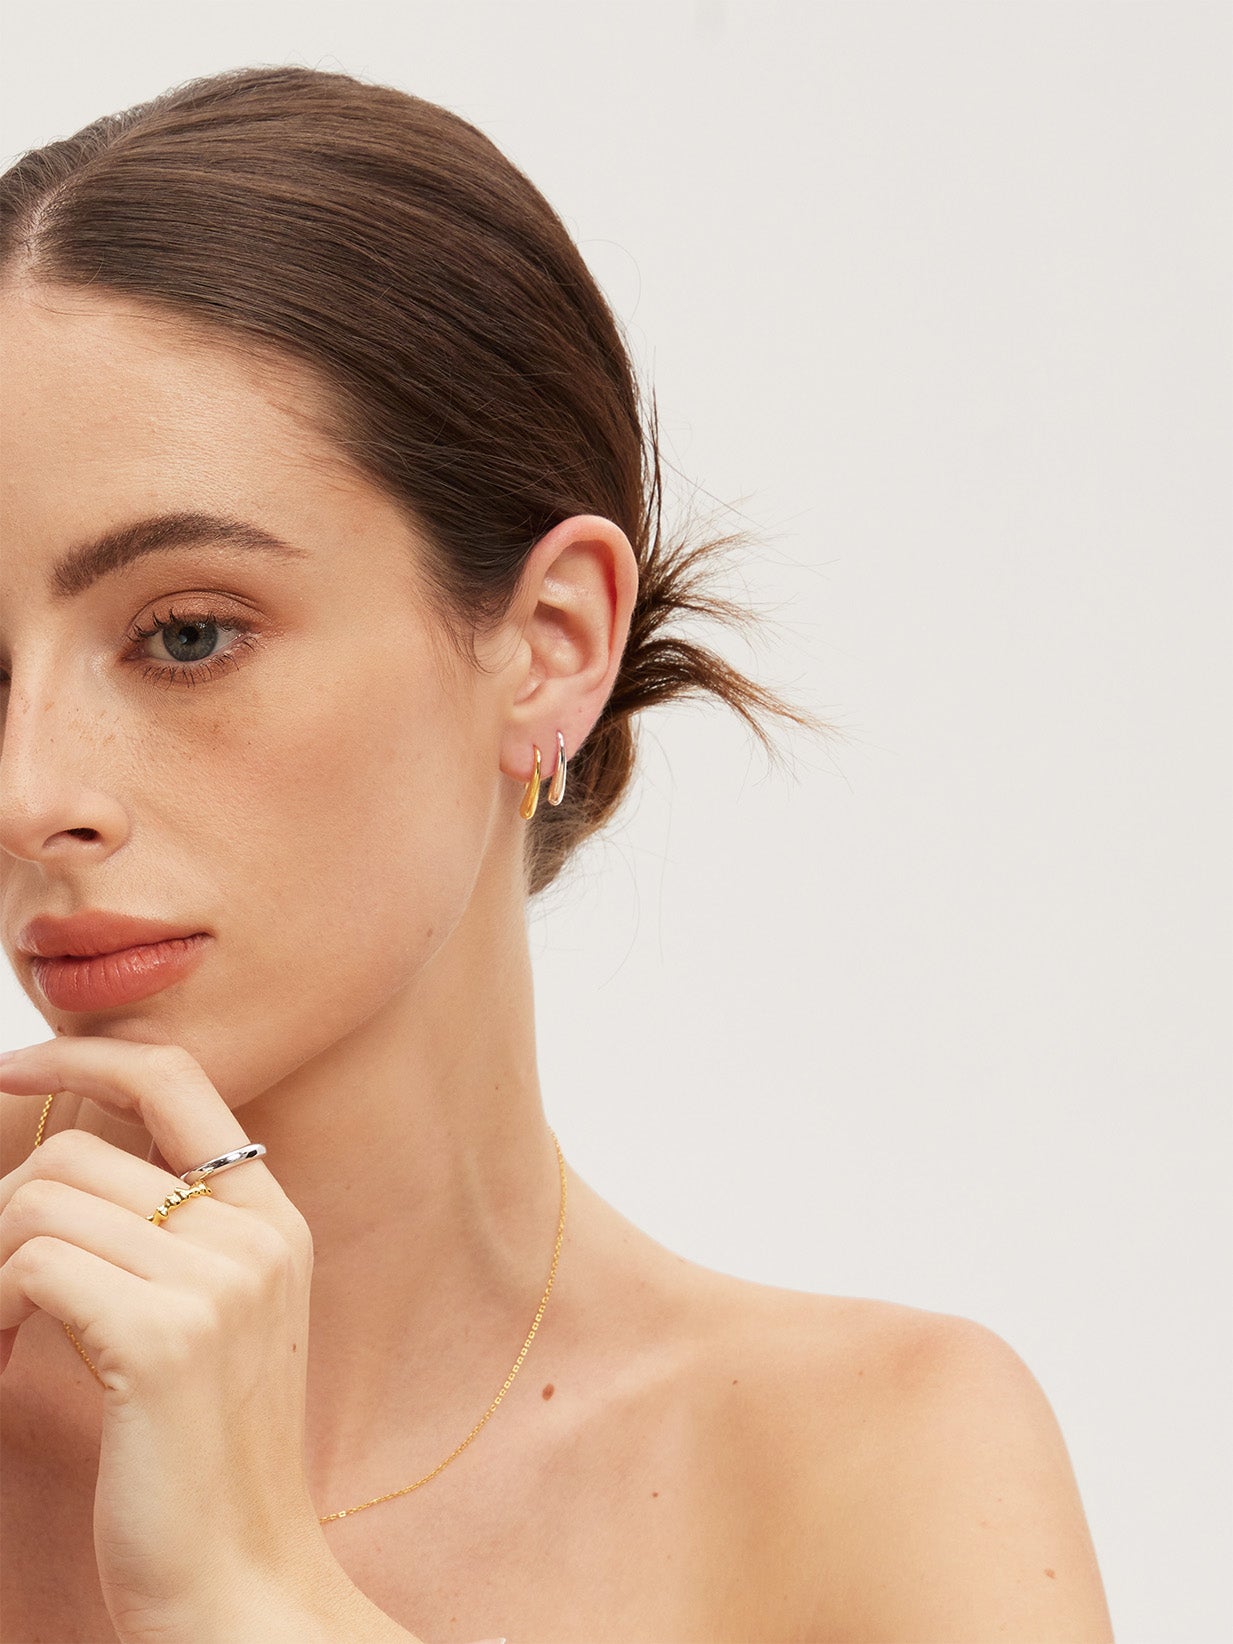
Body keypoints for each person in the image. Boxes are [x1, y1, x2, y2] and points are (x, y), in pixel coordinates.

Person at [0, 64, 1114, 1644]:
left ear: (546, 644)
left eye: (186, 634)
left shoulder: (881, 1474)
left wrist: (252, 1599)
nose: (31, 788)